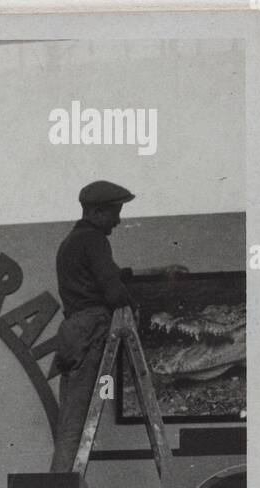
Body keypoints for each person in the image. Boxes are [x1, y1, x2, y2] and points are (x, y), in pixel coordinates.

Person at [50, 181, 188, 471]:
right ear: (98, 212)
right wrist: (138, 303)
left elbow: (109, 276)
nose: (118, 220)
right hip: (90, 329)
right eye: (115, 212)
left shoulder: (72, 242)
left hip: (74, 332)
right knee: (76, 423)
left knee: (70, 419)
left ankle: (60, 483)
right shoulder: (94, 239)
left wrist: (156, 272)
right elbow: (113, 291)